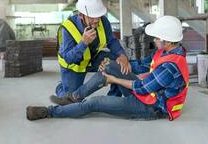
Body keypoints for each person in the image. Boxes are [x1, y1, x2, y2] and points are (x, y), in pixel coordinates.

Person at [27, 15, 189, 121]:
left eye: (156, 37)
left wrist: (113, 79)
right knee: (110, 64)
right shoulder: (166, 51)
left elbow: (140, 87)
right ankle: (74, 97)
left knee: (95, 103)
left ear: (167, 40)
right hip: (147, 93)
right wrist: (119, 64)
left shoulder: (170, 66)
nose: (154, 39)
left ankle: (50, 112)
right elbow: (141, 65)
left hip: (151, 106)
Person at [55, 0, 131, 98]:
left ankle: (113, 97)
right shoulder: (67, 29)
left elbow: (112, 41)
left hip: (93, 58)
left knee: (117, 64)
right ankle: (60, 88)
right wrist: (83, 43)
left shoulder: (103, 21)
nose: (97, 20)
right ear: (81, 15)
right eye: (92, 17)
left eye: (99, 16)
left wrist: (122, 55)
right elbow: (68, 58)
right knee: (72, 99)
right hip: (74, 66)